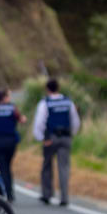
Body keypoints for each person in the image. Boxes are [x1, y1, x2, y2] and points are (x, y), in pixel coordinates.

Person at [32, 78, 81, 206]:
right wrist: (72, 133)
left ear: (47, 89)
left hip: (51, 138)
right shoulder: (68, 102)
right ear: (58, 88)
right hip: (66, 137)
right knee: (64, 167)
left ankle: (47, 195)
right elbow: (75, 120)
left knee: (47, 166)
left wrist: (41, 137)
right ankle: (64, 197)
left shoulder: (45, 103)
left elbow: (40, 122)